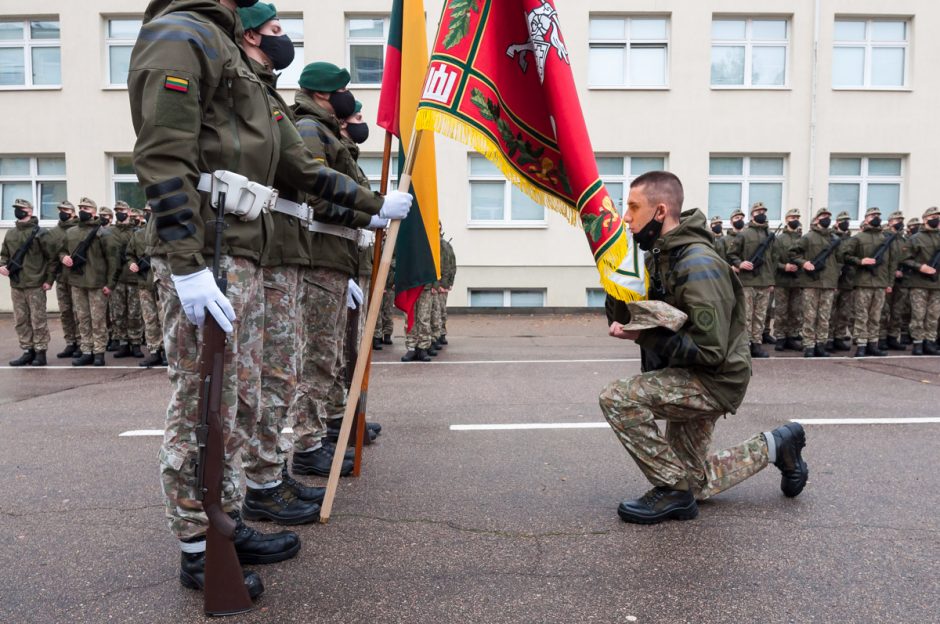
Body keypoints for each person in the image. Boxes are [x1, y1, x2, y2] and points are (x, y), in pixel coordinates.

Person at [129, 0, 411, 599]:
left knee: (241, 395)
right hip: (208, 246)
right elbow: (161, 153)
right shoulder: (181, 34)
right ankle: (199, 545)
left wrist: (373, 205)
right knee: (203, 398)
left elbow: (296, 166)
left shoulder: (229, 50)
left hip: (244, 249)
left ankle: (226, 520)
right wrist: (186, 263)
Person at [598, 171, 808, 524]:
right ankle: (776, 445)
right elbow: (626, 315)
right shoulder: (658, 258)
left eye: (634, 208)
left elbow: (710, 350)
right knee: (693, 481)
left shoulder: (698, 263)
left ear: (660, 211)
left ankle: (672, 493)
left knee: (618, 397)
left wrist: (645, 337)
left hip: (713, 379)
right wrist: (615, 272)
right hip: (686, 371)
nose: (626, 218)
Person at [285, 61, 389, 478]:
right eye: (345, 91)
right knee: (319, 358)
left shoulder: (324, 131)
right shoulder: (311, 131)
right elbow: (317, 198)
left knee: (333, 356)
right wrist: (370, 215)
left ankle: (331, 428)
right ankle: (310, 444)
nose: (352, 101)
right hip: (321, 258)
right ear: (327, 95)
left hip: (337, 258)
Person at [60, 198, 116, 367]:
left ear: (93, 211)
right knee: (82, 318)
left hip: (97, 283)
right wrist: (64, 258)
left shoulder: (104, 233)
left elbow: (113, 261)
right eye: (81, 207)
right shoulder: (71, 232)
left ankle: (99, 352)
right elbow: (62, 251)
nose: (83, 210)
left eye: (86, 207)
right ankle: (86, 350)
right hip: (77, 282)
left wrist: (110, 284)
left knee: (98, 319)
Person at [1, 199, 56, 366]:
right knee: (21, 319)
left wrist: (48, 280)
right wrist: (2, 265)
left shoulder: (41, 233)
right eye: (16, 208)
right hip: (17, 283)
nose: (17, 211)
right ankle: (27, 350)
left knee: (38, 318)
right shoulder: (11, 233)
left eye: (21, 208)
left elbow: (52, 258)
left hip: (36, 283)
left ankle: (40, 352)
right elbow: (4, 254)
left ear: (30, 211)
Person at [728, 202, 776, 358]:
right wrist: (740, 263)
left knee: (760, 316)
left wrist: (771, 281)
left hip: (764, 282)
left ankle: (757, 344)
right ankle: (745, 345)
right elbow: (731, 254)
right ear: (752, 215)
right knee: (746, 315)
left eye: (763, 211)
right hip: (748, 281)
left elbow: (773, 259)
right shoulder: (744, 234)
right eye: (758, 211)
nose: (761, 213)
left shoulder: (770, 235)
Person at [791, 208, 839, 357]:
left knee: (825, 316)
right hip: (811, 282)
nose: (826, 218)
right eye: (823, 216)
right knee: (810, 316)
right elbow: (792, 253)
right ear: (817, 219)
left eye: (828, 216)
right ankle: (809, 345)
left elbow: (840, 260)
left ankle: (821, 345)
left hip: (828, 283)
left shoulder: (835, 239)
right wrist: (803, 263)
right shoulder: (808, 237)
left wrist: (835, 277)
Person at [126, 206, 166, 367]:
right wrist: (132, 264)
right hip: (144, 283)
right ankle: (154, 350)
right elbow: (129, 254)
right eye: (147, 211)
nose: (149, 214)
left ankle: (166, 351)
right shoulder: (138, 235)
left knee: (164, 318)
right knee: (149, 319)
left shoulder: (166, 234)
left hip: (163, 283)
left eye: (152, 210)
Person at [108, 201, 145, 359]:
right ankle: (123, 343)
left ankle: (136, 343)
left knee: (134, 313)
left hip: (133, 279)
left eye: (122, 210)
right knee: (118, 313)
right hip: (117, 279)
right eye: (117, 210)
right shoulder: (110, 232)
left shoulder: (136, 231)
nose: (119, 213)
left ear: (129, 212)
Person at [901, 207, 940, 355]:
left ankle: (930, 342)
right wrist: (920, 267)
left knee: (934, 315)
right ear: (925, 219)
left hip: (937, 284)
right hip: (919, 282)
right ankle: (918, 342)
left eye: (937, 216)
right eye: (933, 216)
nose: (936, 219)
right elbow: (904, 259)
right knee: (918, 314)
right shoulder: (915, 238)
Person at [47, 200, 81, 359]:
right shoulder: (54, 232)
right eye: (60, 210)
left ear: (73, 213)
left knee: (79, 311)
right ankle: (70, 342)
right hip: (62, 277)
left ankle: (82, 343)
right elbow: (52, 259)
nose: (62, 212)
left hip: (78, 277)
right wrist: (49, 279)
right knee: (65, 311)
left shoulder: (80, 229)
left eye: (66, 210)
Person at [772, 208, 803, 352]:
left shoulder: (802, 238)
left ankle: (792, 336)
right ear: (786, 220)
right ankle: (780, 337)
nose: (795, 219)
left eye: (797, 217)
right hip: (782, 280)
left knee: (795, 311)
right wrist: (784, 267)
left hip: (798, 281)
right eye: (792, 217)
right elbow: (773, 260)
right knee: (781, 311)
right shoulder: (779, 239)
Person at [828, 211, 855, 351]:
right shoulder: (831, 238)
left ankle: (839, 336)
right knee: (830, 311)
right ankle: (828, 338)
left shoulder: (851, 239)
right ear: (837, 222)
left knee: (844, 311)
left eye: (848, 220)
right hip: (834, 279)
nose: (846, 223)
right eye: (843, 221)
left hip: (848, 279)